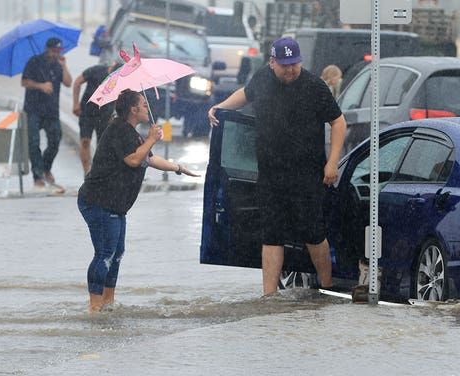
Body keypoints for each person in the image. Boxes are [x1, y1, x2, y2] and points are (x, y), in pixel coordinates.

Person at [207, 37, 347, 296]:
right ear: (272, 63)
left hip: (307, 175)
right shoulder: (262, 79)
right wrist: (221, 107)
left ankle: (327, 288)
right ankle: (269, 296)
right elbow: (245, 95)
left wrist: (332, 163)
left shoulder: (314, 87)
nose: (290, 69)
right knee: (271, 235)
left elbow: (339, 123)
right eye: (285, 65)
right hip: (270, 175)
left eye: (294, 63)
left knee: (313, 234)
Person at [77, 89, 200, 313]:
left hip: (115, 204)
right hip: (99, 202)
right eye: (143, 105)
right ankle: (94, 307)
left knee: (117, 254)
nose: (146, 108)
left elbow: (149, 159)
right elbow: (134, 159)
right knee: (105, 254)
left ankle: (108, 303)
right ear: (133, 109)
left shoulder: (131, 132)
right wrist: (152, 139)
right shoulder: (118, 129)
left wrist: (179, 168)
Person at [21, 37, 72, 188]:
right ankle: (37, 175)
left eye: (59, 51)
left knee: (55, 140)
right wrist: (41, 86)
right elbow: (24, 82)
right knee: (33, 142)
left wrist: (63, 66)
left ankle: (45, 167)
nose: (57, 54)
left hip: (51, 110)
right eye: (54, 51)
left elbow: (68, 83)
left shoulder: (59, 65)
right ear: (47, 49)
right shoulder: (34, 62)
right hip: (33, 109)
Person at [72, 61, 123, 175]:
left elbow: (121, 99)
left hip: (105, 115)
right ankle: (86, 173)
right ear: (110, 69)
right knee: (85, 141)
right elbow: (77, 82)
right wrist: (75, 103)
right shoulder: (96, 70)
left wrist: (116, 115)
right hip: (87, 111)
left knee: (102, 145)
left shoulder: (120, 81)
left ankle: (98, 171)